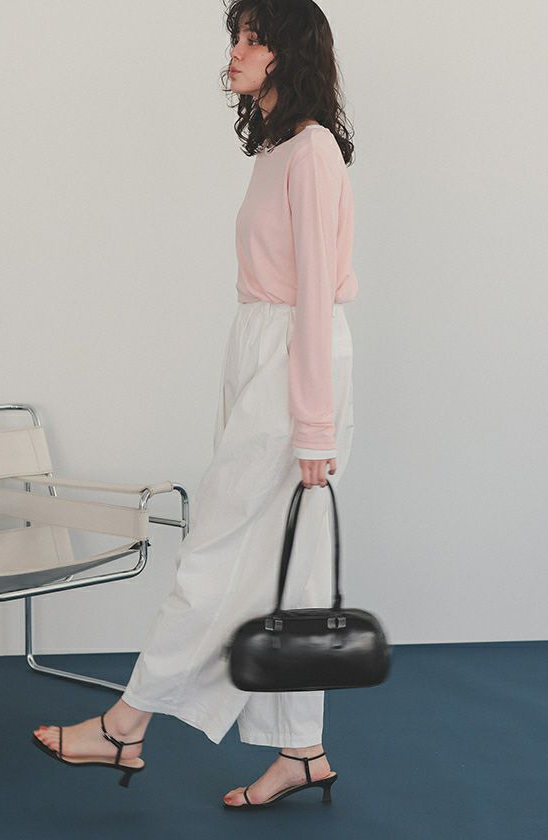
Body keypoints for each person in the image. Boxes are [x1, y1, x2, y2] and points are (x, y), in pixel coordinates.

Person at [32, 0, 358, 808]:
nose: (235, 52)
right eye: (235, 36)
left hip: (293, 360)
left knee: (216, 550)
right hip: (262, 353)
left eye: (253, 38)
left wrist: (314, 424)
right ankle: (302, 750)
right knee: (285, 563)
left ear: (288, 53)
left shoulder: (313, 151)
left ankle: (126, 723)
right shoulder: (277, 150)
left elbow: (316, 296)